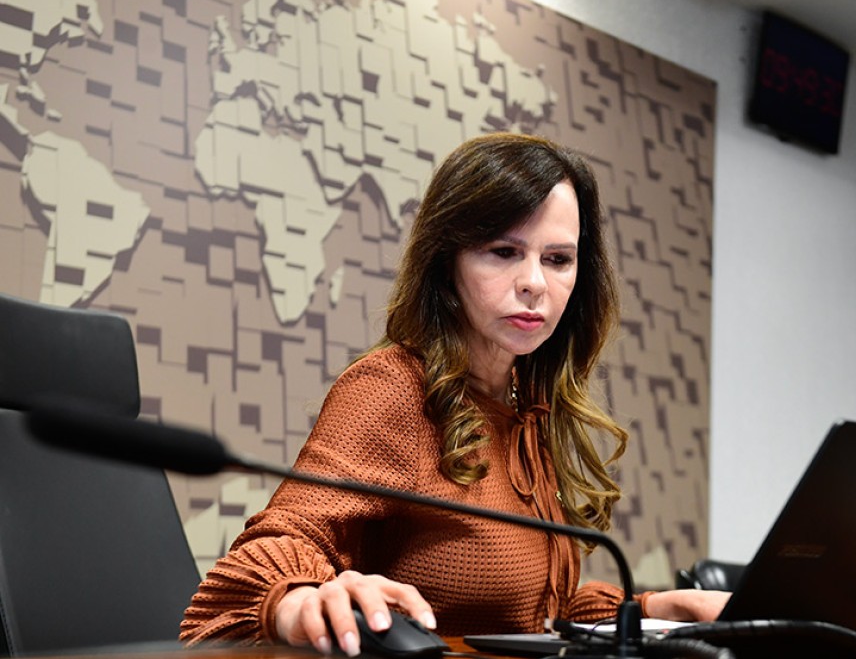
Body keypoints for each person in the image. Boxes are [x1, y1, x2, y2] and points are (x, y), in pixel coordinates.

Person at [179, 133, 729, 654]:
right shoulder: (392, 388)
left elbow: (527, 618)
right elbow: (262, 558)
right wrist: (298, 602)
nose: (535, 282)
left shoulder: (524, 405)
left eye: (558, 259)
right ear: (447, 263)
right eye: (503, 251)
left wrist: (655, 607)